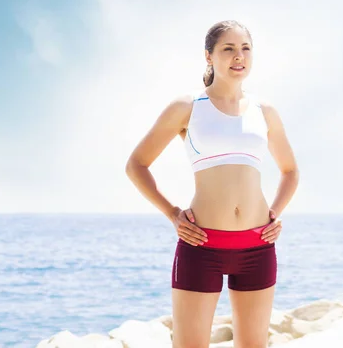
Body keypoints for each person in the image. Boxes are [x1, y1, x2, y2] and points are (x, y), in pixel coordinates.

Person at [125, 19, 300, 348]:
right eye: (229, 49)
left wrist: (275, 212)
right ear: (209, 56)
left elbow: (290, 171)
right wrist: (173, 213)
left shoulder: (265, 111)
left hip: (257, 247)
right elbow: (136, 165)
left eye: (246, 48)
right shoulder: (188, 108)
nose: (239, 56)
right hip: (200, 246)